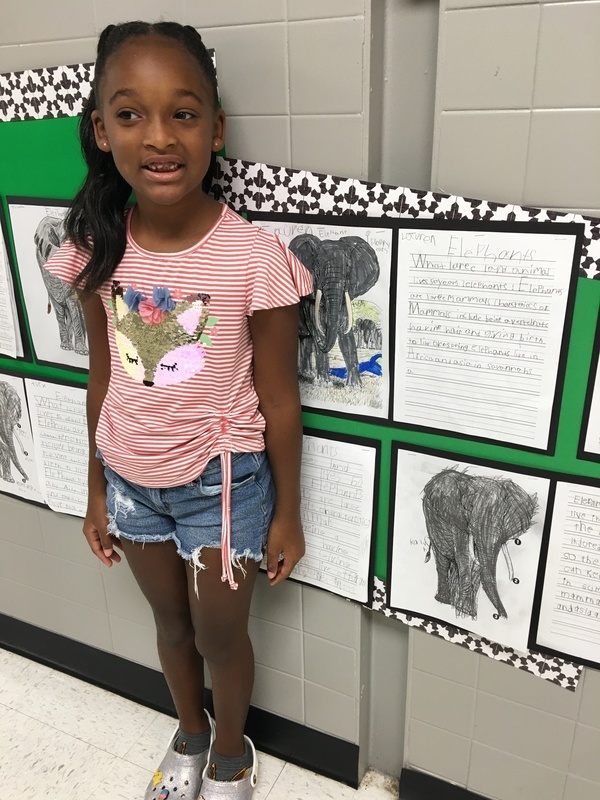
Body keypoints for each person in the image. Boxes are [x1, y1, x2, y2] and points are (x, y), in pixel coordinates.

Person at [45, 20, 312, 800]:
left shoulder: (255, 258)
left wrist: (287, 514)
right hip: (130, 482)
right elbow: (102, 376)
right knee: (169, 627)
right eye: (130, 114)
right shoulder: (95, 248)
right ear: (102, 131)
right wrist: (96, 488)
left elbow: (280, 399)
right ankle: (191, 735)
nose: (159, 136)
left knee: (220, 636)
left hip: (221, 488)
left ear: (215, 129)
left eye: (183, 113)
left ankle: (230, 756)